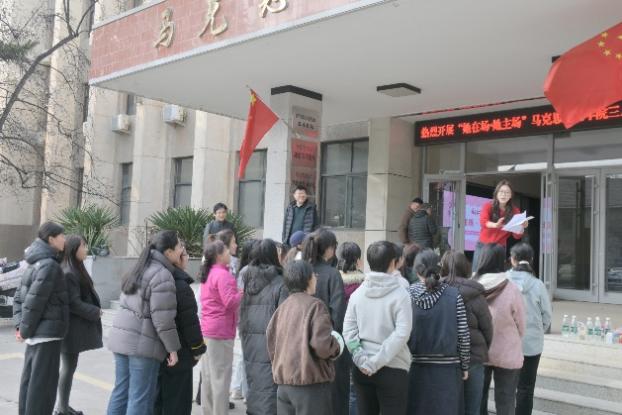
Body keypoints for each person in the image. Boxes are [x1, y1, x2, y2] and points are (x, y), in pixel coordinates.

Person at [107, 230, 181, 415]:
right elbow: (163, 319)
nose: (182, 250)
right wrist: (172, 348)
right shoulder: (162, 275)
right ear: (169, 252)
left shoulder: (139, 268)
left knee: (121, 393)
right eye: (179, 246)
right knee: (139, 398)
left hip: (122, 340)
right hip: (142, 345)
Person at [266, 260, 344, 415]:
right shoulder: (316, 306)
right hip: (310, 386)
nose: (316, 278)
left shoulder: (282, 308)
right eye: (314, 275)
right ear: (308, 279)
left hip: (283, 385)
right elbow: (322, 346)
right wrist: (336, 345)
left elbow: (270, 341)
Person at [344, 241, 412, 415]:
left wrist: (361, 358)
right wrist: (376, 361)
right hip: (394, 367)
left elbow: (348, 331)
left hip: (362, 368)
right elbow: (402, 334)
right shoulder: (401, 294)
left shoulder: (357, 294)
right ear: (392, 263)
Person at [13, 222, 68, 415]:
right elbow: (35, 302)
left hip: (36, 335)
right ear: (51, 239)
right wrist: (23, 331)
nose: (65, 239)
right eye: (62, 236)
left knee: (31, 385)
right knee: (42, 389)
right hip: (47, 335)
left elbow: (19, 298)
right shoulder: (49, 265)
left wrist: (21, 328)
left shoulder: (33, 262)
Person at [407, 249, 470, 415]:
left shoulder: (407, 294)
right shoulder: (453, 295)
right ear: (439, 268)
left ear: (416, 270)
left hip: (414, 368)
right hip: (448, 371)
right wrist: (464, 365)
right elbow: (463, 335)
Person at [155, 244, 206, 415]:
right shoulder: (181, 285)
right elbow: (190, 323)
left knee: (159, 401)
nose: (188, 257)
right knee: (178, 403)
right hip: (179, 353)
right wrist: (198, 349)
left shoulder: (156, 278)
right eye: (184, 253)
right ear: (176, 258)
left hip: (158, 351)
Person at [301, 229, 348, 415]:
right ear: (329, 248)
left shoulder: (300, 270)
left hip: (301, 342)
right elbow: (338, 312)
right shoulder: (332, 274)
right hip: (328, 345)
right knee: (334, 398)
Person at [474, 243, 526, 415]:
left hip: (479, 352)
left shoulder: (472, 287)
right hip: (507, 353)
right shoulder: (511, 289)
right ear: (502, 262)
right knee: (506, 402)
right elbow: (521, 325)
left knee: (477, 400)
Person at [239, 239, 289, 414]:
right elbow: (284, 321)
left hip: (249, 342)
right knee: (269, 387)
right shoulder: (281, 283)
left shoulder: (247, 280)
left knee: (254, 383)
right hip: (271, 345)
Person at [440, 250, 493, 415]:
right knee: (472, 408)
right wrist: (482, 349)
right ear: (466, 267)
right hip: (473, 358)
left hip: (443, 357)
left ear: (443, 268)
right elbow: (488, 328)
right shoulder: (476, 295)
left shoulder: (434, 291)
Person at [56, 235, 103, 415]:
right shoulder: (70, 272)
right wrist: (95, 311)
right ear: (73, 249)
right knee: (68, 368)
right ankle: (62, 408)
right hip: (69, 329)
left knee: (69, 367)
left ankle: (63, 406)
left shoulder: (74, 268)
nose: (86, 249)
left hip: (71, 328)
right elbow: (73, 304)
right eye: (83, 246)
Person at [507, 243, 552, 415]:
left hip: (507, 343)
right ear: (531, 259)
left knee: (506, 386)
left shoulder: (503, 281)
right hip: (532, 344)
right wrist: (537, 331)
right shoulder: (538, 285)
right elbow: (547, 316)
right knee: (526, 388)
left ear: (513, 259)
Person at [199, 239, 243, 415]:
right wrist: (241, 294)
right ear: (218, 255)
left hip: (208, 330)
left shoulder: (209, 273)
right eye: (226, 250)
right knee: (221, 379)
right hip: (221, 332)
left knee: (209, 376)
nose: (229, 253)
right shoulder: (223, 275)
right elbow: (230, 302)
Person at [473, 180, 527, 272]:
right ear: (496, 193)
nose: (503, 195)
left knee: (497, 274)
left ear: (511, 195)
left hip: (499, 247)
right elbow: (483, 221)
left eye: (507, 192)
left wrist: (522, 227)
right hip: (483, 245)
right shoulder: (488, 206)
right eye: (501, 192)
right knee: (477, 273)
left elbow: (516, 236)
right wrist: (495, 225)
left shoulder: (515, 211)